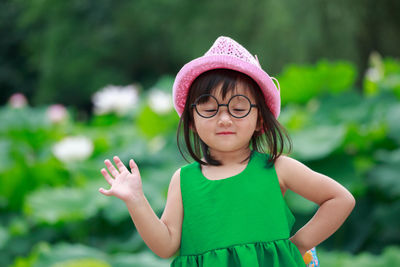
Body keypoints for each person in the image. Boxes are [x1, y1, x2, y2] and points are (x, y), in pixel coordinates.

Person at [98, 36, 355, 266]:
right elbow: (165, 246)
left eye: (239, 107)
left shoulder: (277, 167)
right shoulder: (184, 180)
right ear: (191, 121)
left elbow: (340, 199)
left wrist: (296, 246)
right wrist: (136, 200)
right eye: (209, 108)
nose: (224, 119)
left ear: (261, 120)